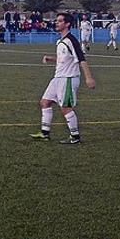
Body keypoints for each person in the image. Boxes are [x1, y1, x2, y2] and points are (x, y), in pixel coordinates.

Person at [30, 13, 96, 144]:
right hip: (58, 78)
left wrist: (89, 78)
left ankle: (75, 136)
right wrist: (51, 59)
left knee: (65, 107)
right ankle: (45, 133)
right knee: (45, 102)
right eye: (56, 21)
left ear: (67, 24)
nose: (56, 23)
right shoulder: (60, 41)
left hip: (68, 78)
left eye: (60, 21)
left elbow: (81, 59)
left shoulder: (71, 40)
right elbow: (64, 60)